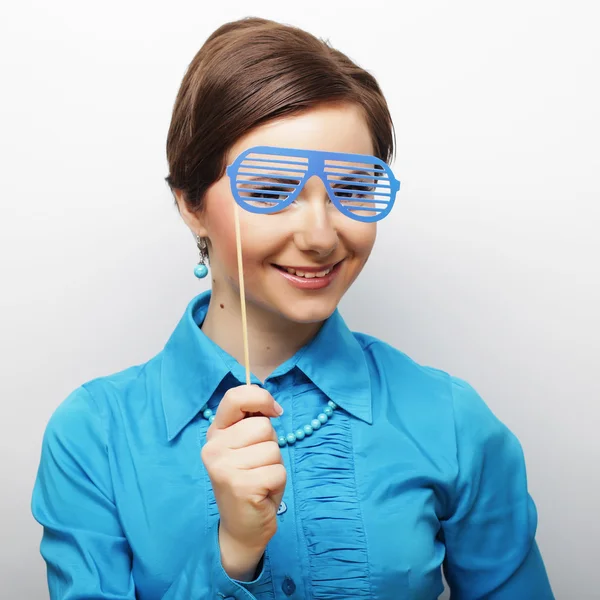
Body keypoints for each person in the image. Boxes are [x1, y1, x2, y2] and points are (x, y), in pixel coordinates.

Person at [31, 16, 555, 600]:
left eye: (354, 188)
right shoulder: (93, 436)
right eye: (271, 188)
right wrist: (232, 552)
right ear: (190, 203)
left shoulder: (453, 420)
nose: (321, 235)